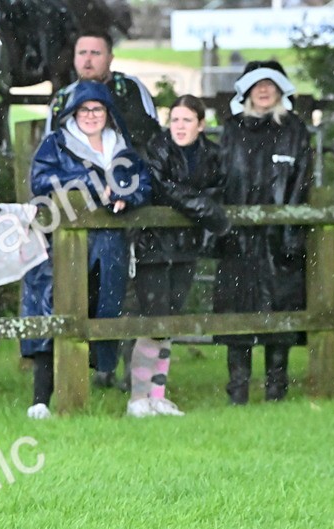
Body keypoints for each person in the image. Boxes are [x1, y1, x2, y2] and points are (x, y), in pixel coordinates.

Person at [23, 81, 151, 418]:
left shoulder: (122, 149)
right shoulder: (57, 144)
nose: (91, 116)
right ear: (73, 113)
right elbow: (41, 181)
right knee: (55, 313)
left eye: (97, 109)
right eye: (84, 110)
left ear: (108, 114)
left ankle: (86, 392)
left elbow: (144, 183)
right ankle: (41, 400)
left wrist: (125, 195)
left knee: (101, 311)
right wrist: (89, 184)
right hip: (61, 247)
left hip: (108, 248)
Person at [214, 61, 312, 404]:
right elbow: (221, 179)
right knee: (236, 313)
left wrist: (290, 232)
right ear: (247, 90)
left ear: (280, 88)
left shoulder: (295, 130)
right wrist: (224, 230)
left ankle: (276, 390)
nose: (264, 90)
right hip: (238, 239)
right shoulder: (231, 129)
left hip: (279, 238)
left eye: (271, 83)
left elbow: (302, 182)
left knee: (279, 314)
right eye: (257, 84)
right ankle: (237, 391)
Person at [128, 95, 228, 418]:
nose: (180, 127)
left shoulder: (212, 155)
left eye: (187, 120)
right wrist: (202, 208)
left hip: (187, 246)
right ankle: (137, 398)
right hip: (153, 245)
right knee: (153, 322)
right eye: (175, 120)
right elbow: (163, 189)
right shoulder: (156, 149)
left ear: (201, 124)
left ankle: (157, 394)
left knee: (170, 321)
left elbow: (218, 190)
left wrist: (200, 205)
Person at [48, 31, 159, 156]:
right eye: (82, 53)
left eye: (95, 53)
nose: (87, 59)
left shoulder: (130, 88)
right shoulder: (63, 98)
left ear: (110, 58)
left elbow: (155, 138)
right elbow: (50, 152)